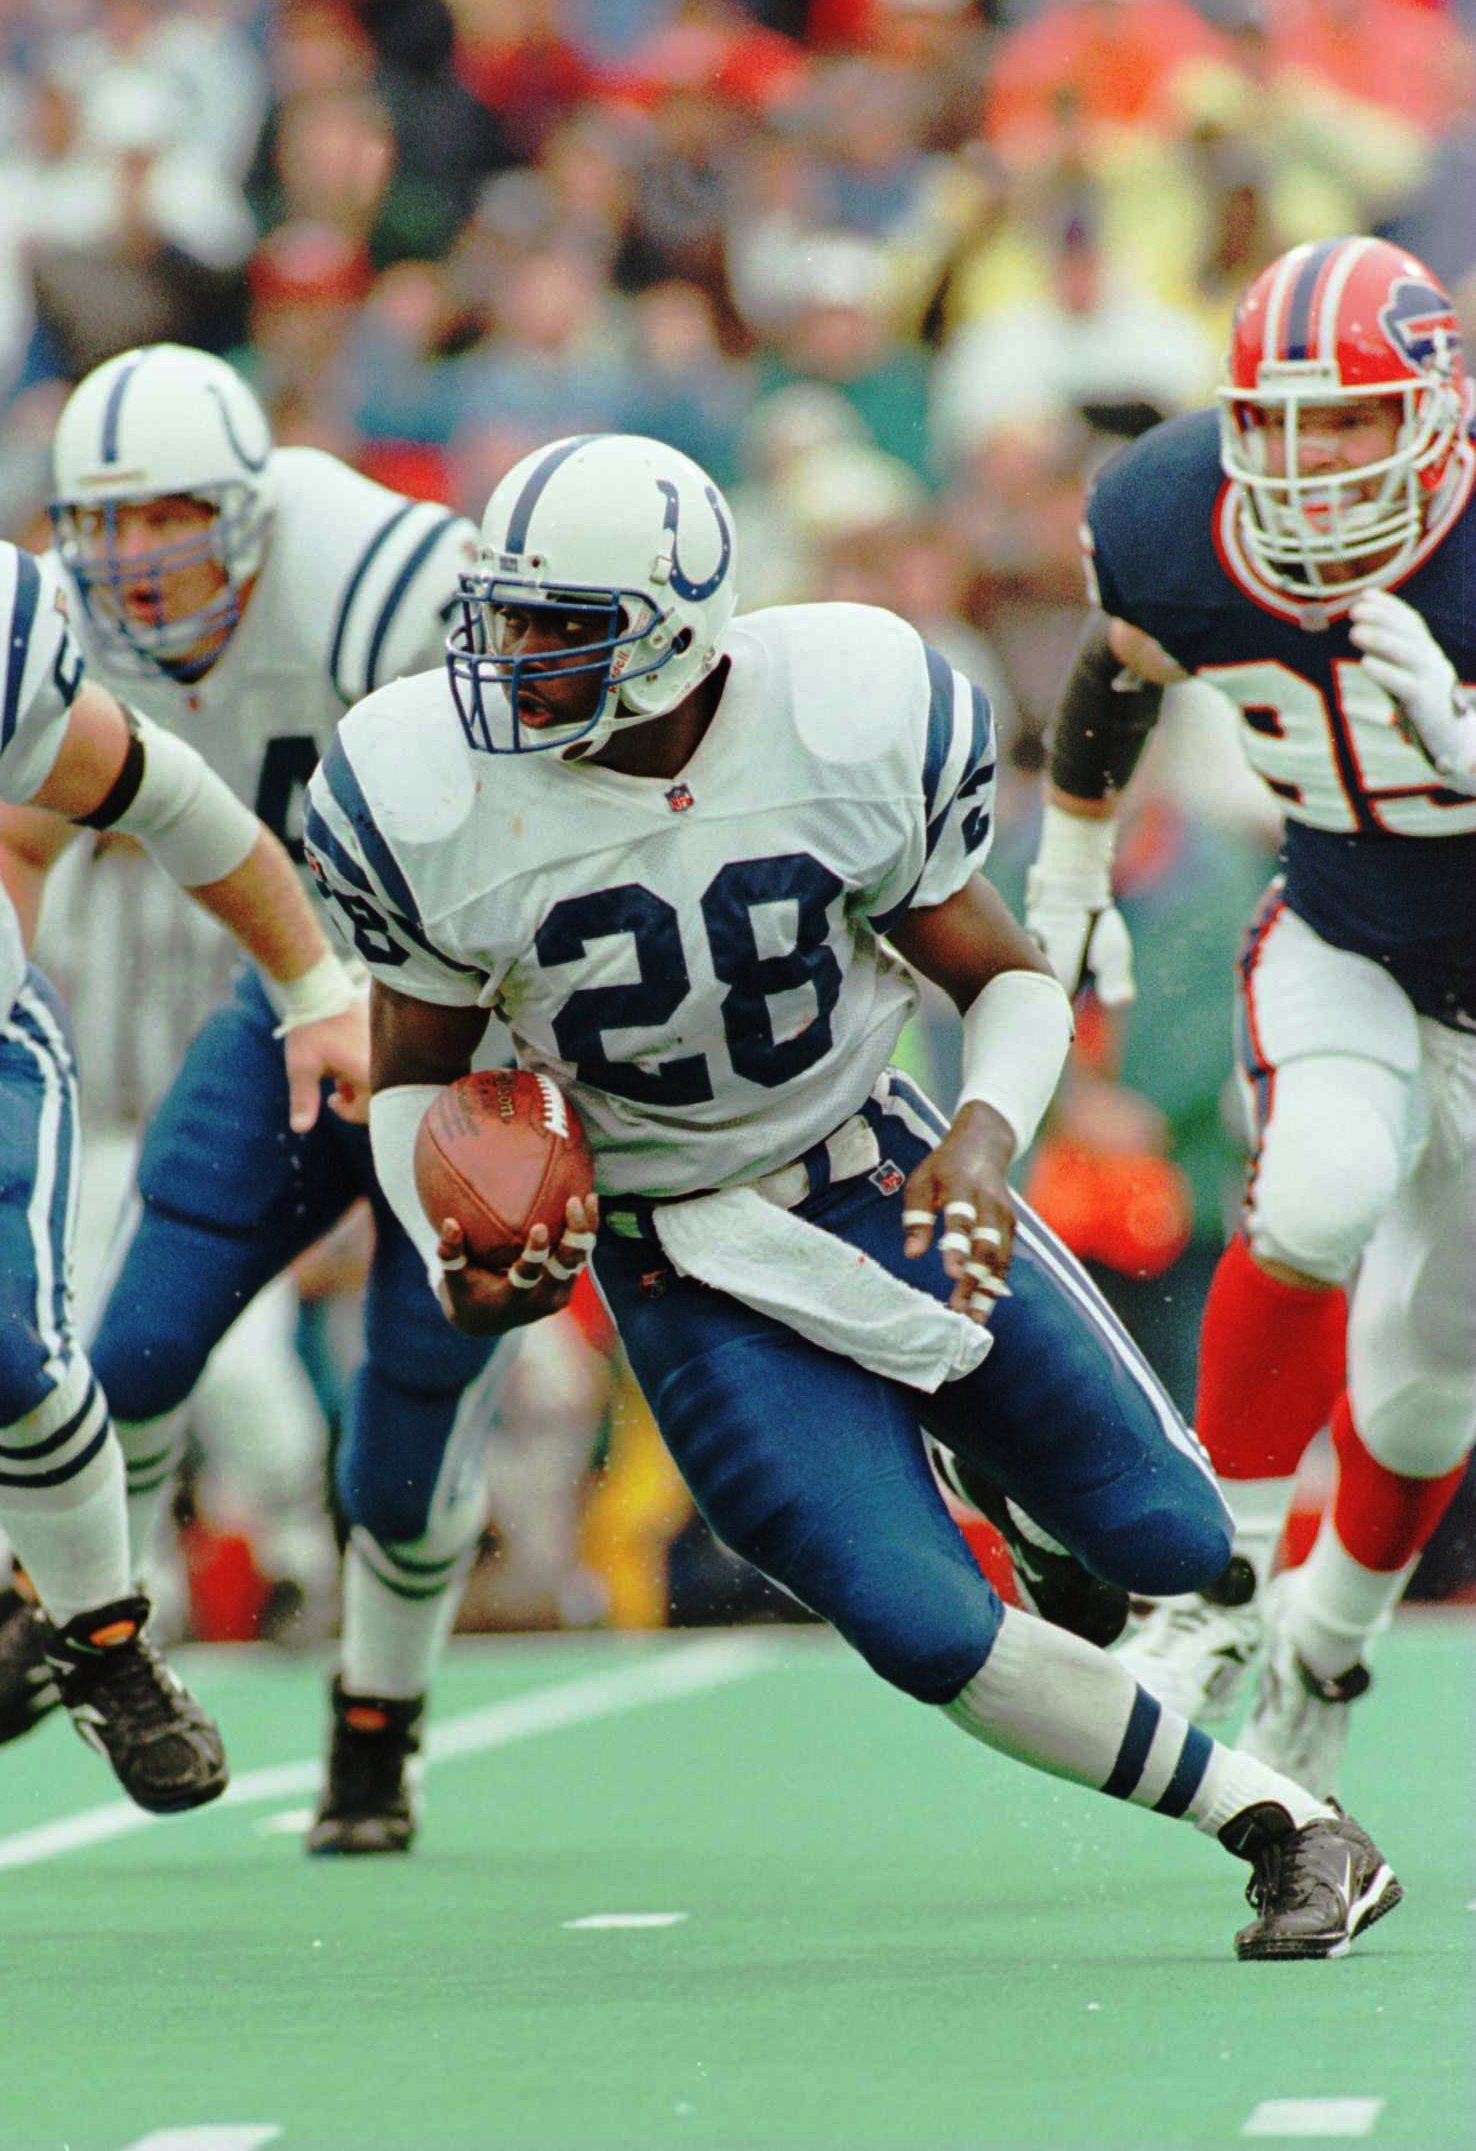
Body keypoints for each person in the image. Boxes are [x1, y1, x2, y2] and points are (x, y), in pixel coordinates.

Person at [305, 428, 1401, 1960]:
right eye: (501, 615)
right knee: (920, 1621)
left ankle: (1009, 1487)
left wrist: (984, 1130)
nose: (506, 659)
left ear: (679, 627)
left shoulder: (847, 712)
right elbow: (413, 1068)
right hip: (684, 1257)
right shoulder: (423, 790)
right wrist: (451, 1238)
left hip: (887, 1166)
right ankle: (1284, 1825)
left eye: (560, 627)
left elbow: (1006, 976)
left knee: (1169, 1542)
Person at [0, 343, 499, 1855]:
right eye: (113, 522)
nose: (143, 558)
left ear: (255, 504)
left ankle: (376, 1726)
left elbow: (541, 772)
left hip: (485, 1015)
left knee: (405, 1434)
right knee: (136, 1345)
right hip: (290, 992)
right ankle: (93, 1621)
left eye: (174, 516)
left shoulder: (377, 572)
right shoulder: (61, 618)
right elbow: (31, 829)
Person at [1022, 234, 1475, 1795]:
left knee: (1432, 1381)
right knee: (1317, 1192)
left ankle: (1323, 1650)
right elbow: (1122, 660)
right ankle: (1210, 1575)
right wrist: (1075, 852)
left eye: (1347, 419)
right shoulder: (1173, 517)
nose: (1306, 459)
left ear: (1431, 411)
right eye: (1276, 423)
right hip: (1344, 930)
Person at [0, 534, 367, 1812]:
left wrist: (316, 991)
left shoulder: (29, 686)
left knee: (47, 1362)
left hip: (107, 1107)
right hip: (104, 1113)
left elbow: (184, 804)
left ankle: (112, 1626)